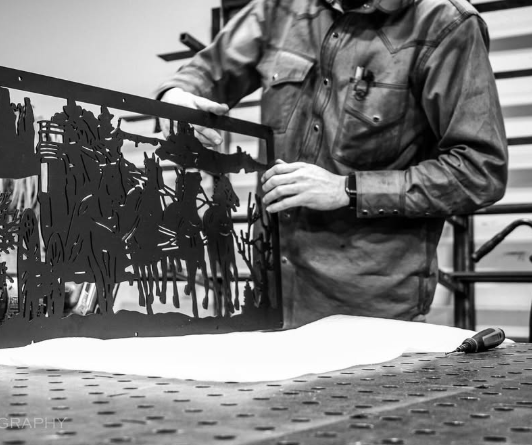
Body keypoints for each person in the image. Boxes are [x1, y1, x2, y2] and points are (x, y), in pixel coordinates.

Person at [157, 0, 507, 327]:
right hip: (271, 294)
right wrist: (175, 99)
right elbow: (205, 71)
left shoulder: (444, 22)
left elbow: (480, 169)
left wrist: (348, 190)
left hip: (368, 314)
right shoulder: (281, 7)